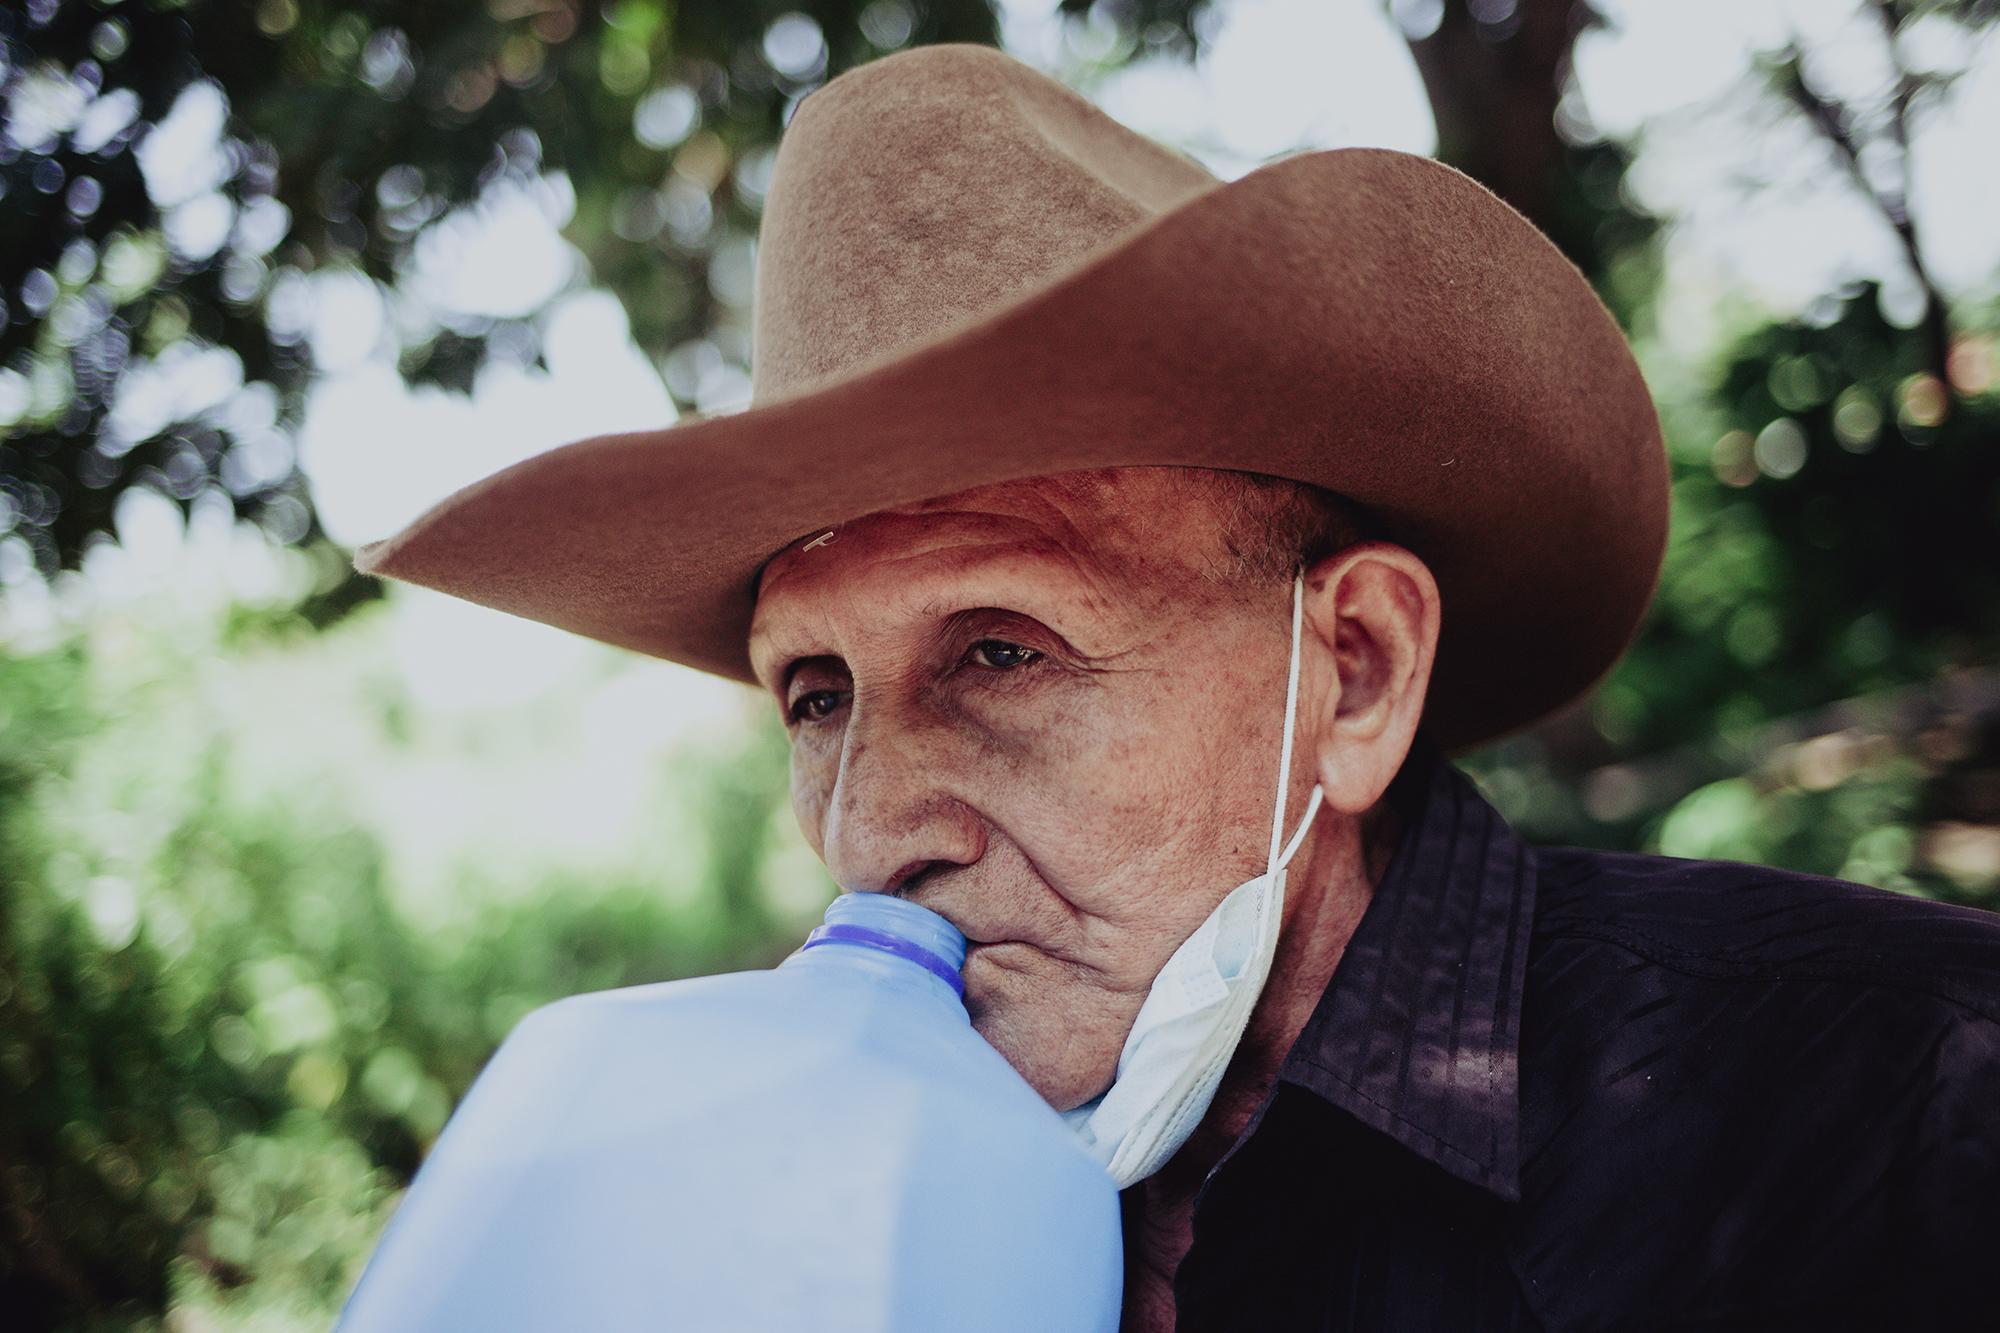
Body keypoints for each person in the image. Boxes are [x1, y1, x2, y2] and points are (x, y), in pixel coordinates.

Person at [351, 42, 2000, 1332]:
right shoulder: (797, 1210)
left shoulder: (1896, 1106)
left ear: (1352, 672)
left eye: (1000, 647)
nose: (870, 833)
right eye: (815, 693)